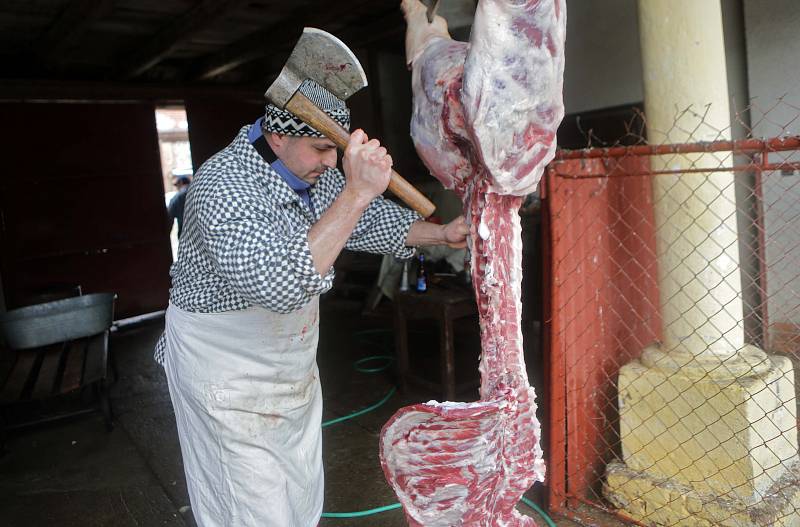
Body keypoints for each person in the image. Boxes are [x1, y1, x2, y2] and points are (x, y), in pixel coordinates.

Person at [153, 79, 468, 526]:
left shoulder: (305, 171)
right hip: (227, 372)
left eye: (334, 151)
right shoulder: (222, 186)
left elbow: (362, 222)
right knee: (250, 507)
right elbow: (279, 286)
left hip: (285, 370)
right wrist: (356, 192)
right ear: (278, 135)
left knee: (298, 496)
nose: (330, 161)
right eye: (322, 148)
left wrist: (440, 234)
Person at [166, 170, 192, 237]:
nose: (177, 188)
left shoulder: (176, 198)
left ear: (181, 183)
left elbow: (169, 219)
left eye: (177, 185)